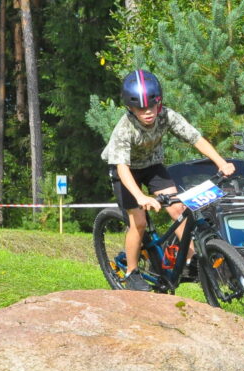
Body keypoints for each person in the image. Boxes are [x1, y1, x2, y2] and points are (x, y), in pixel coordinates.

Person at [100, 69, 235, 291]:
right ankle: (132, 272)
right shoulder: (124, 129)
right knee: (139, 223)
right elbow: (122, 168)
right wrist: (140, 196)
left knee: (178, 209)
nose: (147, 112)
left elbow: (195, 138)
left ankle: (190, 260)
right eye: (140, 108)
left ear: (159, 103)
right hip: (126, 172)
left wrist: (221, 162)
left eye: (152, 106)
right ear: (130, 109)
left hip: (152, 166)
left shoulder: (167, 116)